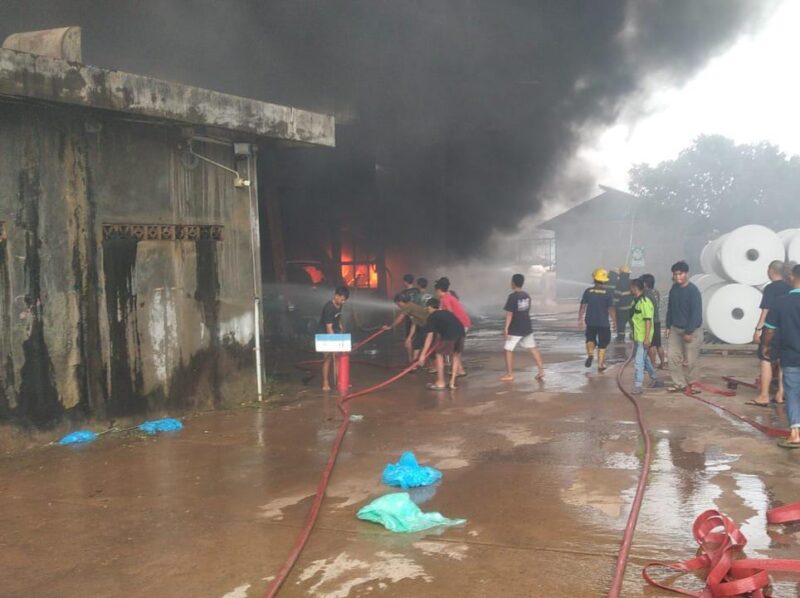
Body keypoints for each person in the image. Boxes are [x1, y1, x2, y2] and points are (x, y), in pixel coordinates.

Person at [762, 264, 800, 448]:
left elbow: (769, 330)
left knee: (792, 393)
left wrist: (766, 347)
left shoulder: (781, 302)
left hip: (791, 355)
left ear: (792, 277)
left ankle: (795, 434)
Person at [751, 260, 790, 406]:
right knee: (782, 361)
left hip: (771, 330)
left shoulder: (770, 288)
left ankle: (764, 395)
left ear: (771, 271)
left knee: (766, 360)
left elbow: (765, 310)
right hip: (787, 329)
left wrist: (758, 329)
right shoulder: (789, 286)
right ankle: (780, 394)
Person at [665, 260, 703, 393]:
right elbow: (670, 308)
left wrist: (689, 331)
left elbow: (696, 313)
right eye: (675, 275)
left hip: (692, 330)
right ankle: (679, 383)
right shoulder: (674, 289)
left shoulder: (693, 291)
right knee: (672, 357)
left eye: (680, 274)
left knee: (692, 360)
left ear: (686, 274)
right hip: (675, 328)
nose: (677, 277)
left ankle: (693, 384)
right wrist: (668, 326)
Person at [502, 273, 545, 381]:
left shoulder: (512, 297)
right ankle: (541, 371)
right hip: (527, 326)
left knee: (508, 349)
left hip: (515, 328)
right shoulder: (526, 295)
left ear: (513, 283)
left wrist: (506, 328)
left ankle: (509, 374)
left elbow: (510, 314)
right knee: (533, 348)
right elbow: (527, 309)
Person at [418, 298, 465, 390]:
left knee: (439, 355)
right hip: (461, 333)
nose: (427, 309)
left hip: (450, 335)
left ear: (430, 307)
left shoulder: (432, 316)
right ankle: (452, 382)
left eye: (428, 307)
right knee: (456, 355)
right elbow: (443, 329)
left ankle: (440, 382)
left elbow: (429, 336)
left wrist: (422, 355)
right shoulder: (446, 312)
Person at [578, 268, 617, 372]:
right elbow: (611, 309)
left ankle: (590, 354)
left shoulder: (588, 291)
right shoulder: (608, 293)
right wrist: (615, 322)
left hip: (590, 321)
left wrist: (580, 319)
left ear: (594, 279)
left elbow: (583, 306)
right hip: (603, 323)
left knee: (590, 338)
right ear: (604, 280)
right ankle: (600, 365)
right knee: (603, 342)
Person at [630, 278, 661, 394]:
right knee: (645, 360)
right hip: (638, 337)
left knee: (638, 361)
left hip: (644, 337)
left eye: (630, 287)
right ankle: (654, 378)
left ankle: (638, 385)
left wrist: (647, 338)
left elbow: (648, 321)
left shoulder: (645, 302)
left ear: (634, 288)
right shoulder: (636, 301)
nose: (629, 289)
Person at [434, 277, 471, 377]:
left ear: (438, 290)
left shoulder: (445, 299)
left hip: (460, 324)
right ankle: (460, 370)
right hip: (463, 324)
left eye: (436, 291)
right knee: (455, 350)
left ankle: (460, 370)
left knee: (452, 349)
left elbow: (450, 314)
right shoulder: (449, 296)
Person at [318, 285, 350, 391]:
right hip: (326, 335)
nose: (343, 302)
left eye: (344, 300)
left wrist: (340, 328)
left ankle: (340, 381)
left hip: (335, 332)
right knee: (327, 359)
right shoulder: (328, 308)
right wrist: (333, 343)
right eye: (342, 299)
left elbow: (338, 318)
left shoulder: (339, 304)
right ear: (336, 296)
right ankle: (325, 383)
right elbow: (328, 328)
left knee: (337, 358)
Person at [390, 292, 430, 363]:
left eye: (398, 304)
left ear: (401, 301)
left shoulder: (407, 306)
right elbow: (414, 324)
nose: (398, 306)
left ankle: (419, 363)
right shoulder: (412, 309)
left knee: (425, 345)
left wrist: (390, 326)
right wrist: (409, 337)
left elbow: (400, 318)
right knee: (416, 344)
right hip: (423, 327)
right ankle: (413, 363)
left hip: (428, 326)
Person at [641, 273, 667, 369]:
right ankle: (662, 363)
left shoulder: (646, 294)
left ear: (645, 283)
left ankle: (652, 364)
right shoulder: (656, 292)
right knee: (658, 344)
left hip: (649, 321)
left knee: (651, 345)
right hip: (657, 320)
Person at [614, 266, 633, 341]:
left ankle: (621, 337)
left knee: (621, 324)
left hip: (621, 309)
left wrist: (614, 305)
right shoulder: (632, 282)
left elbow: (616, 297)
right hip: (632, 308)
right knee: (633, 323)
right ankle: (633, 335)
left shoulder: (618, 283)